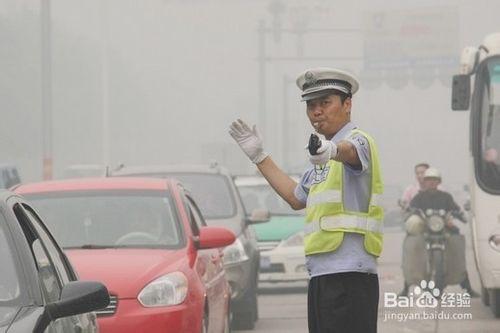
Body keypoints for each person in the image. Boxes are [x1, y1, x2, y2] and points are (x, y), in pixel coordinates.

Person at [229, 67, 383, 333]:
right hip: (322, 274)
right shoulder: (320, 157)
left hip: (351, 275)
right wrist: (259, 156)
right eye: (311, 105)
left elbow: (350, 153)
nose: (317, 111)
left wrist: (333, 149)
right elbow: (295, 197)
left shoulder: (357, 140)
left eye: (325, 102)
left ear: (347, 104)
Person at [399, 167, 479, 297]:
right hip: (425, 229)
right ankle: (406, 288)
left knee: (457, 247)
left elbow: (456, 209)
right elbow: (411, 209)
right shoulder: (419, 197)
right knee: (412, 249)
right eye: (429, 180)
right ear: (424, 181)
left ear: (438, 182)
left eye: (434, 180)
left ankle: (467, 287)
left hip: (443, 228)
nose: (431, 182)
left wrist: (458, 215)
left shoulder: (446, 197)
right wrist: (410, 213)